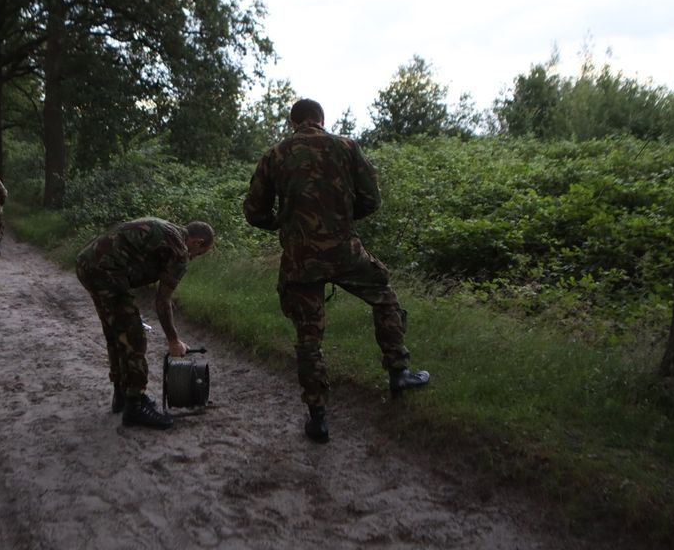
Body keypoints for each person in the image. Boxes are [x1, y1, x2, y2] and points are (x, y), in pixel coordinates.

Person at [243, 98, 429, 443]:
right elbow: (372, 199)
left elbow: (254, 211)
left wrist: (285, 223)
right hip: (345, 250)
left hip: (300, 257)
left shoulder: (275, 154)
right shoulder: (346, 147)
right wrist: (339, 218)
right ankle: (399, 372)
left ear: (293, 122)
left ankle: (318, 418)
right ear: (321, 119)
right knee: (383, 296)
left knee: (308, 337)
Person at [75, 217, 215, 430]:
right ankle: (135, 405)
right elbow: (162, 302)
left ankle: (122, 394)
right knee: (134, 337)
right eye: (198, 253)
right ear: (198, 242)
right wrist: (174, 341)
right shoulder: (179, 251)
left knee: (115, 331)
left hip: (87, 264)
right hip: (107, 271)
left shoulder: (168, 230)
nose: (193, 257)